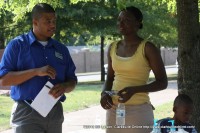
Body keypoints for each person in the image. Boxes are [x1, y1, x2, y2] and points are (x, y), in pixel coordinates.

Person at [0, 3, 77, 133]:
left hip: (55, 112)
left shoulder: (61, 49)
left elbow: (73, 81)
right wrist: (35, 72)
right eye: (48, 21)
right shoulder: (17, 45)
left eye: (54, 21)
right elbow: (3, 80)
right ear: (35, 22)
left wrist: (65, 87)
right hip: (26, 112)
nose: (53, 25)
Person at [100, 6, 168, 133]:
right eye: (119, 20)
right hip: (114, 110)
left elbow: (162, 82)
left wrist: (135, 90)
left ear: (138, 23)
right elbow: (109, 78)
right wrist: (104, 94)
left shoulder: (148, 48)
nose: (121, 23)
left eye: (126, 20)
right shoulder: (112, 47)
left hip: (139, 111)